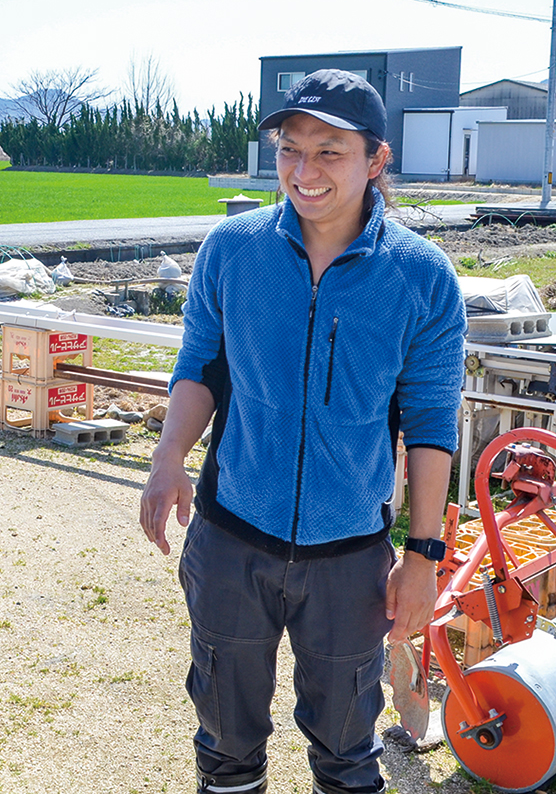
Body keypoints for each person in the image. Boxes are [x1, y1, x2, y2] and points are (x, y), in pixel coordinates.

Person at [140, 70, 465, 794]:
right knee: (225, 739)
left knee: (348, 750)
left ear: (376, 160)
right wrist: (168, 458)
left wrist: (423, 556)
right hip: (231, 538)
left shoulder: (422, 277)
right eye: (291, 149)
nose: (304, 171)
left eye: (330, 151)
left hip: (350, 557)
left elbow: (432, 425)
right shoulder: (232, 250)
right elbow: (200, 366)